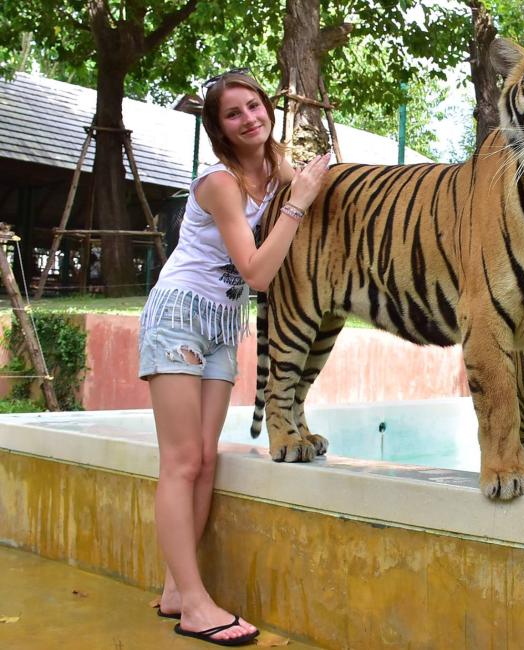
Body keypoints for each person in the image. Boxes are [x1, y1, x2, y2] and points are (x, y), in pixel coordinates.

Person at [138, 69, 330, 646]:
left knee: (205, 457)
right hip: (179, 312)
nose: (250, 118)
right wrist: (296, 205)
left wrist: (300, 188)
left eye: (255, 105)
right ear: (218, 128)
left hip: (223, 326)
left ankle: (177, 587)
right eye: (233, 113)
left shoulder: (275, 172)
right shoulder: (220, 182)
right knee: (180, 462)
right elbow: (256, 271)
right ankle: (195, 605)